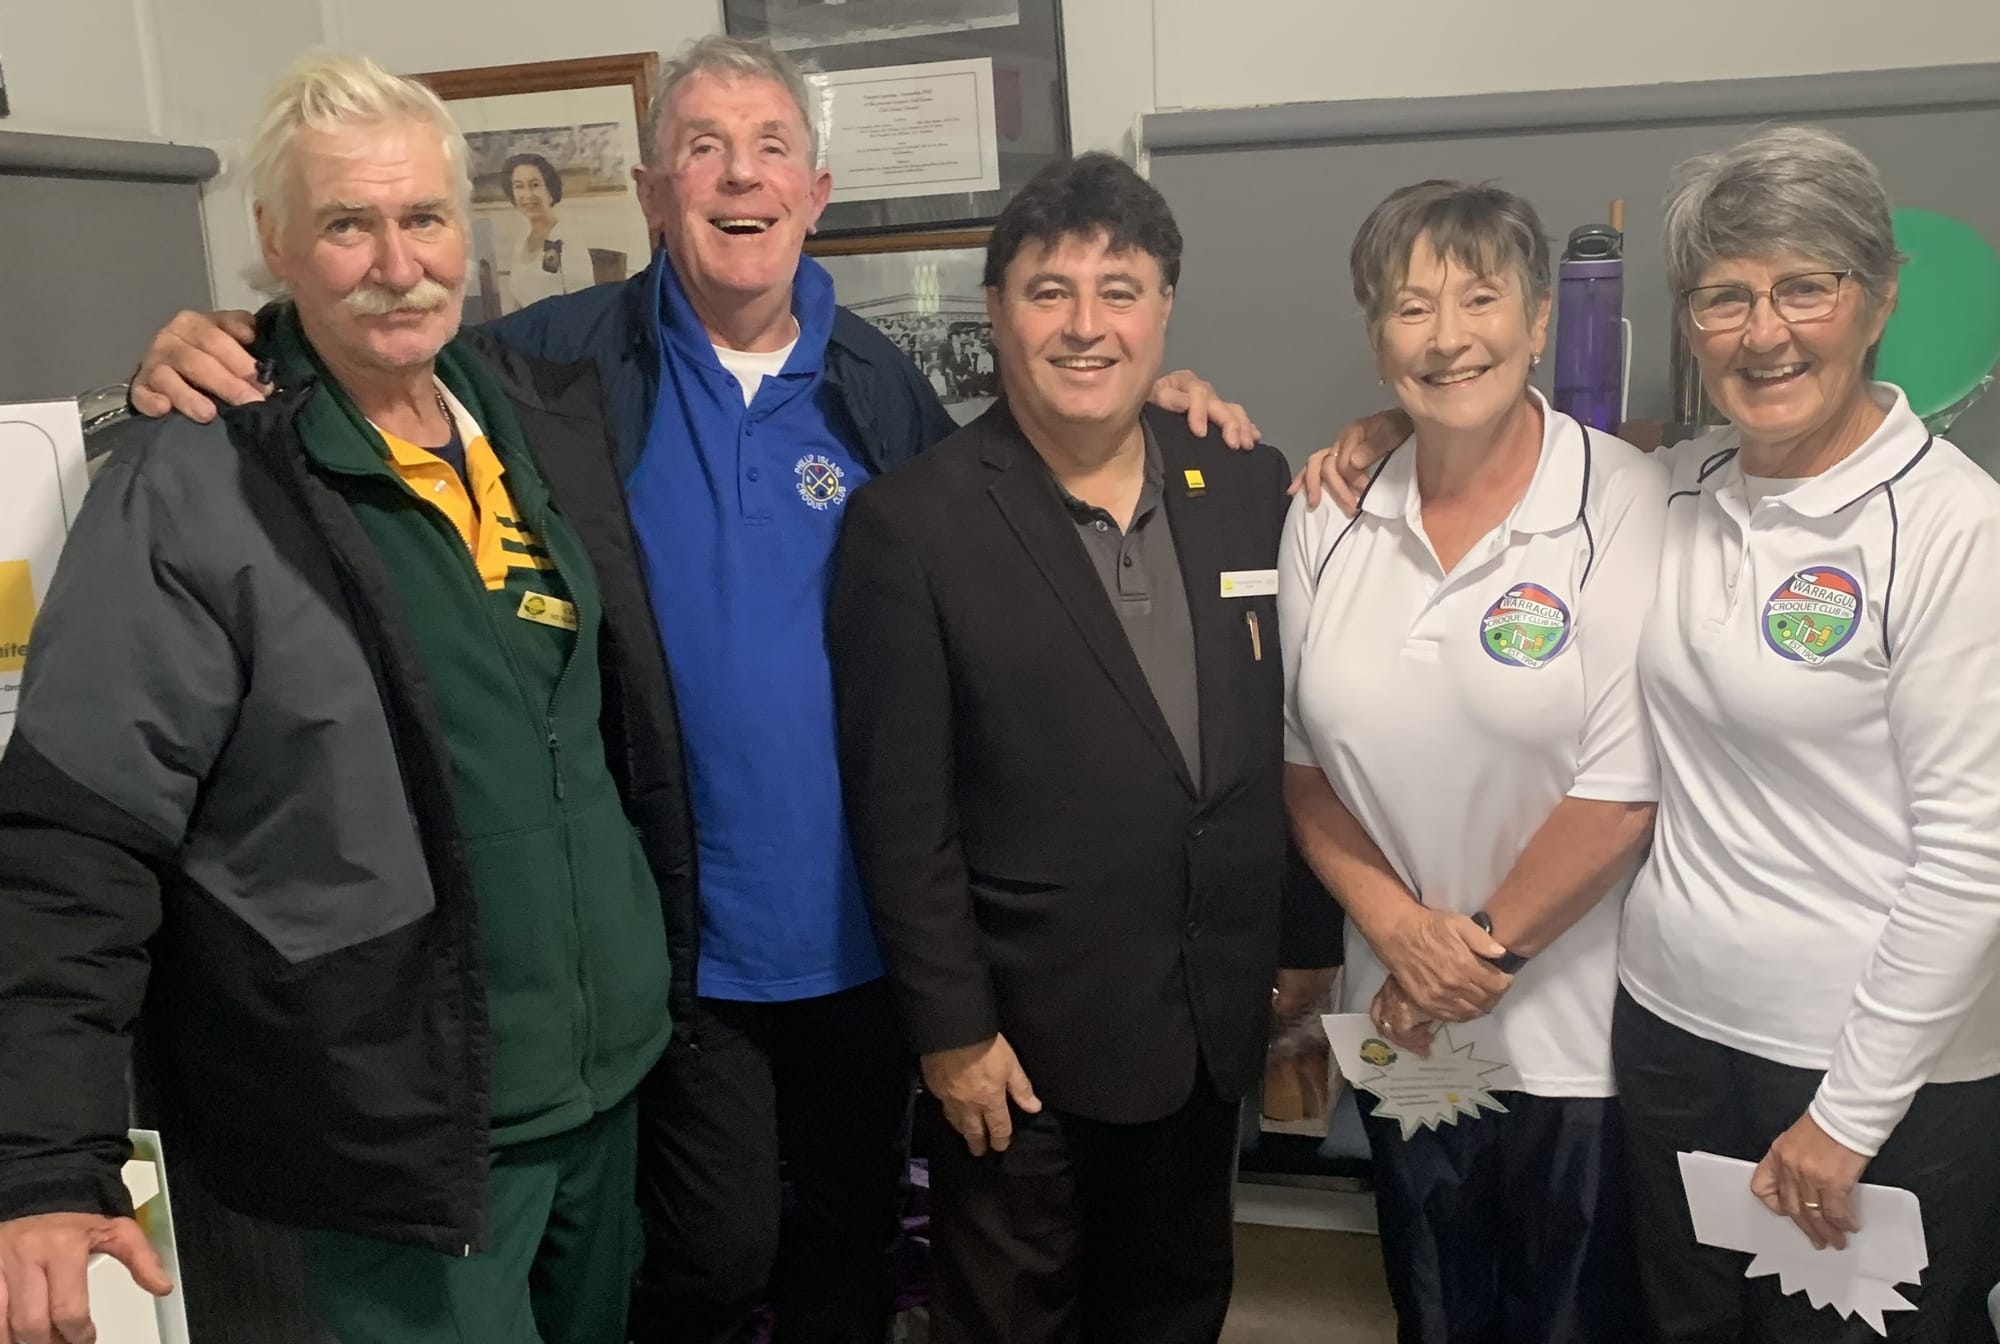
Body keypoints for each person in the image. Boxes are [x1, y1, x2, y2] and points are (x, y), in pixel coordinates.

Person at [125, 35, 1258, 1344]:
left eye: (771, 146)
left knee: (847, 1237)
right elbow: (381, 341)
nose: (740, 175)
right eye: (704, 148)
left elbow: (1019, 516)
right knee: (714, 1254)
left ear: (816, 192)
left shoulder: (880, 387)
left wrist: (1154, 408)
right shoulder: (546, 369)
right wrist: (224, 341)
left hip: (870, 929)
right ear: (659, 192)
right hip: (677, 932)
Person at [0, 52, 690, 1344]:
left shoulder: (534, 416)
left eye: (423, 217)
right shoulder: (193, 483)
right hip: (393, 1136)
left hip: (600, 1090)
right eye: (346, 224)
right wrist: (40, 1159)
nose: (396, 260)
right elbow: (70, 839)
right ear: (273, 241)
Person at [1301, 126, 2000, 1344]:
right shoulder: (1682, 488)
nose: (1762, 329)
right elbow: (1304, 758)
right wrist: (1383, 435)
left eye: (1802, 287)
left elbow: (1970, 856)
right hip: (1668, 1033)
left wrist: (1847, 1115)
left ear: (1876, 296)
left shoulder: (1950, 529)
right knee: (1642, 1321)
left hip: (1853, 1062)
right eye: (1724, 297)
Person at [827, 152, 1300, 1344]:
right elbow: (900, 811)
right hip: (1020, 1049)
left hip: (1202, 1022)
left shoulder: (1245, 480)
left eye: (1120, 289)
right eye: (1049, 291)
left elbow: (1282, 734)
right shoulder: (911, 524)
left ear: (1163, 310)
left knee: (1176, 1307)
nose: (1086, 326)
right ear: (996, 312)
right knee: (1014, 1323)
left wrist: (1299, 950)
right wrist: (949, 1032)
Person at [1279, 179, 1662, 1344]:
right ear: (1374, 336)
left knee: (1565, 1321)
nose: (1447, 337)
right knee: (1435, 1307)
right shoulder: (1326, 513)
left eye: (1479, 299)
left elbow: (1620, 790)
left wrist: (1472, 956)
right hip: (1401, 1016)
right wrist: (1398, 936)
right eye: (1409, 307)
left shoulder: (1622, 498)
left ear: (1540, 319)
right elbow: (1304, 771)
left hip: (1570, 1031)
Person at [501, 151, 599, 309]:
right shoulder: (521, 242)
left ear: (550, 191)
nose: (527, 195)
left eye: (535, 185)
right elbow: (518, 302)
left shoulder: (568, 241)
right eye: (519, 186)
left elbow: (584, 307)